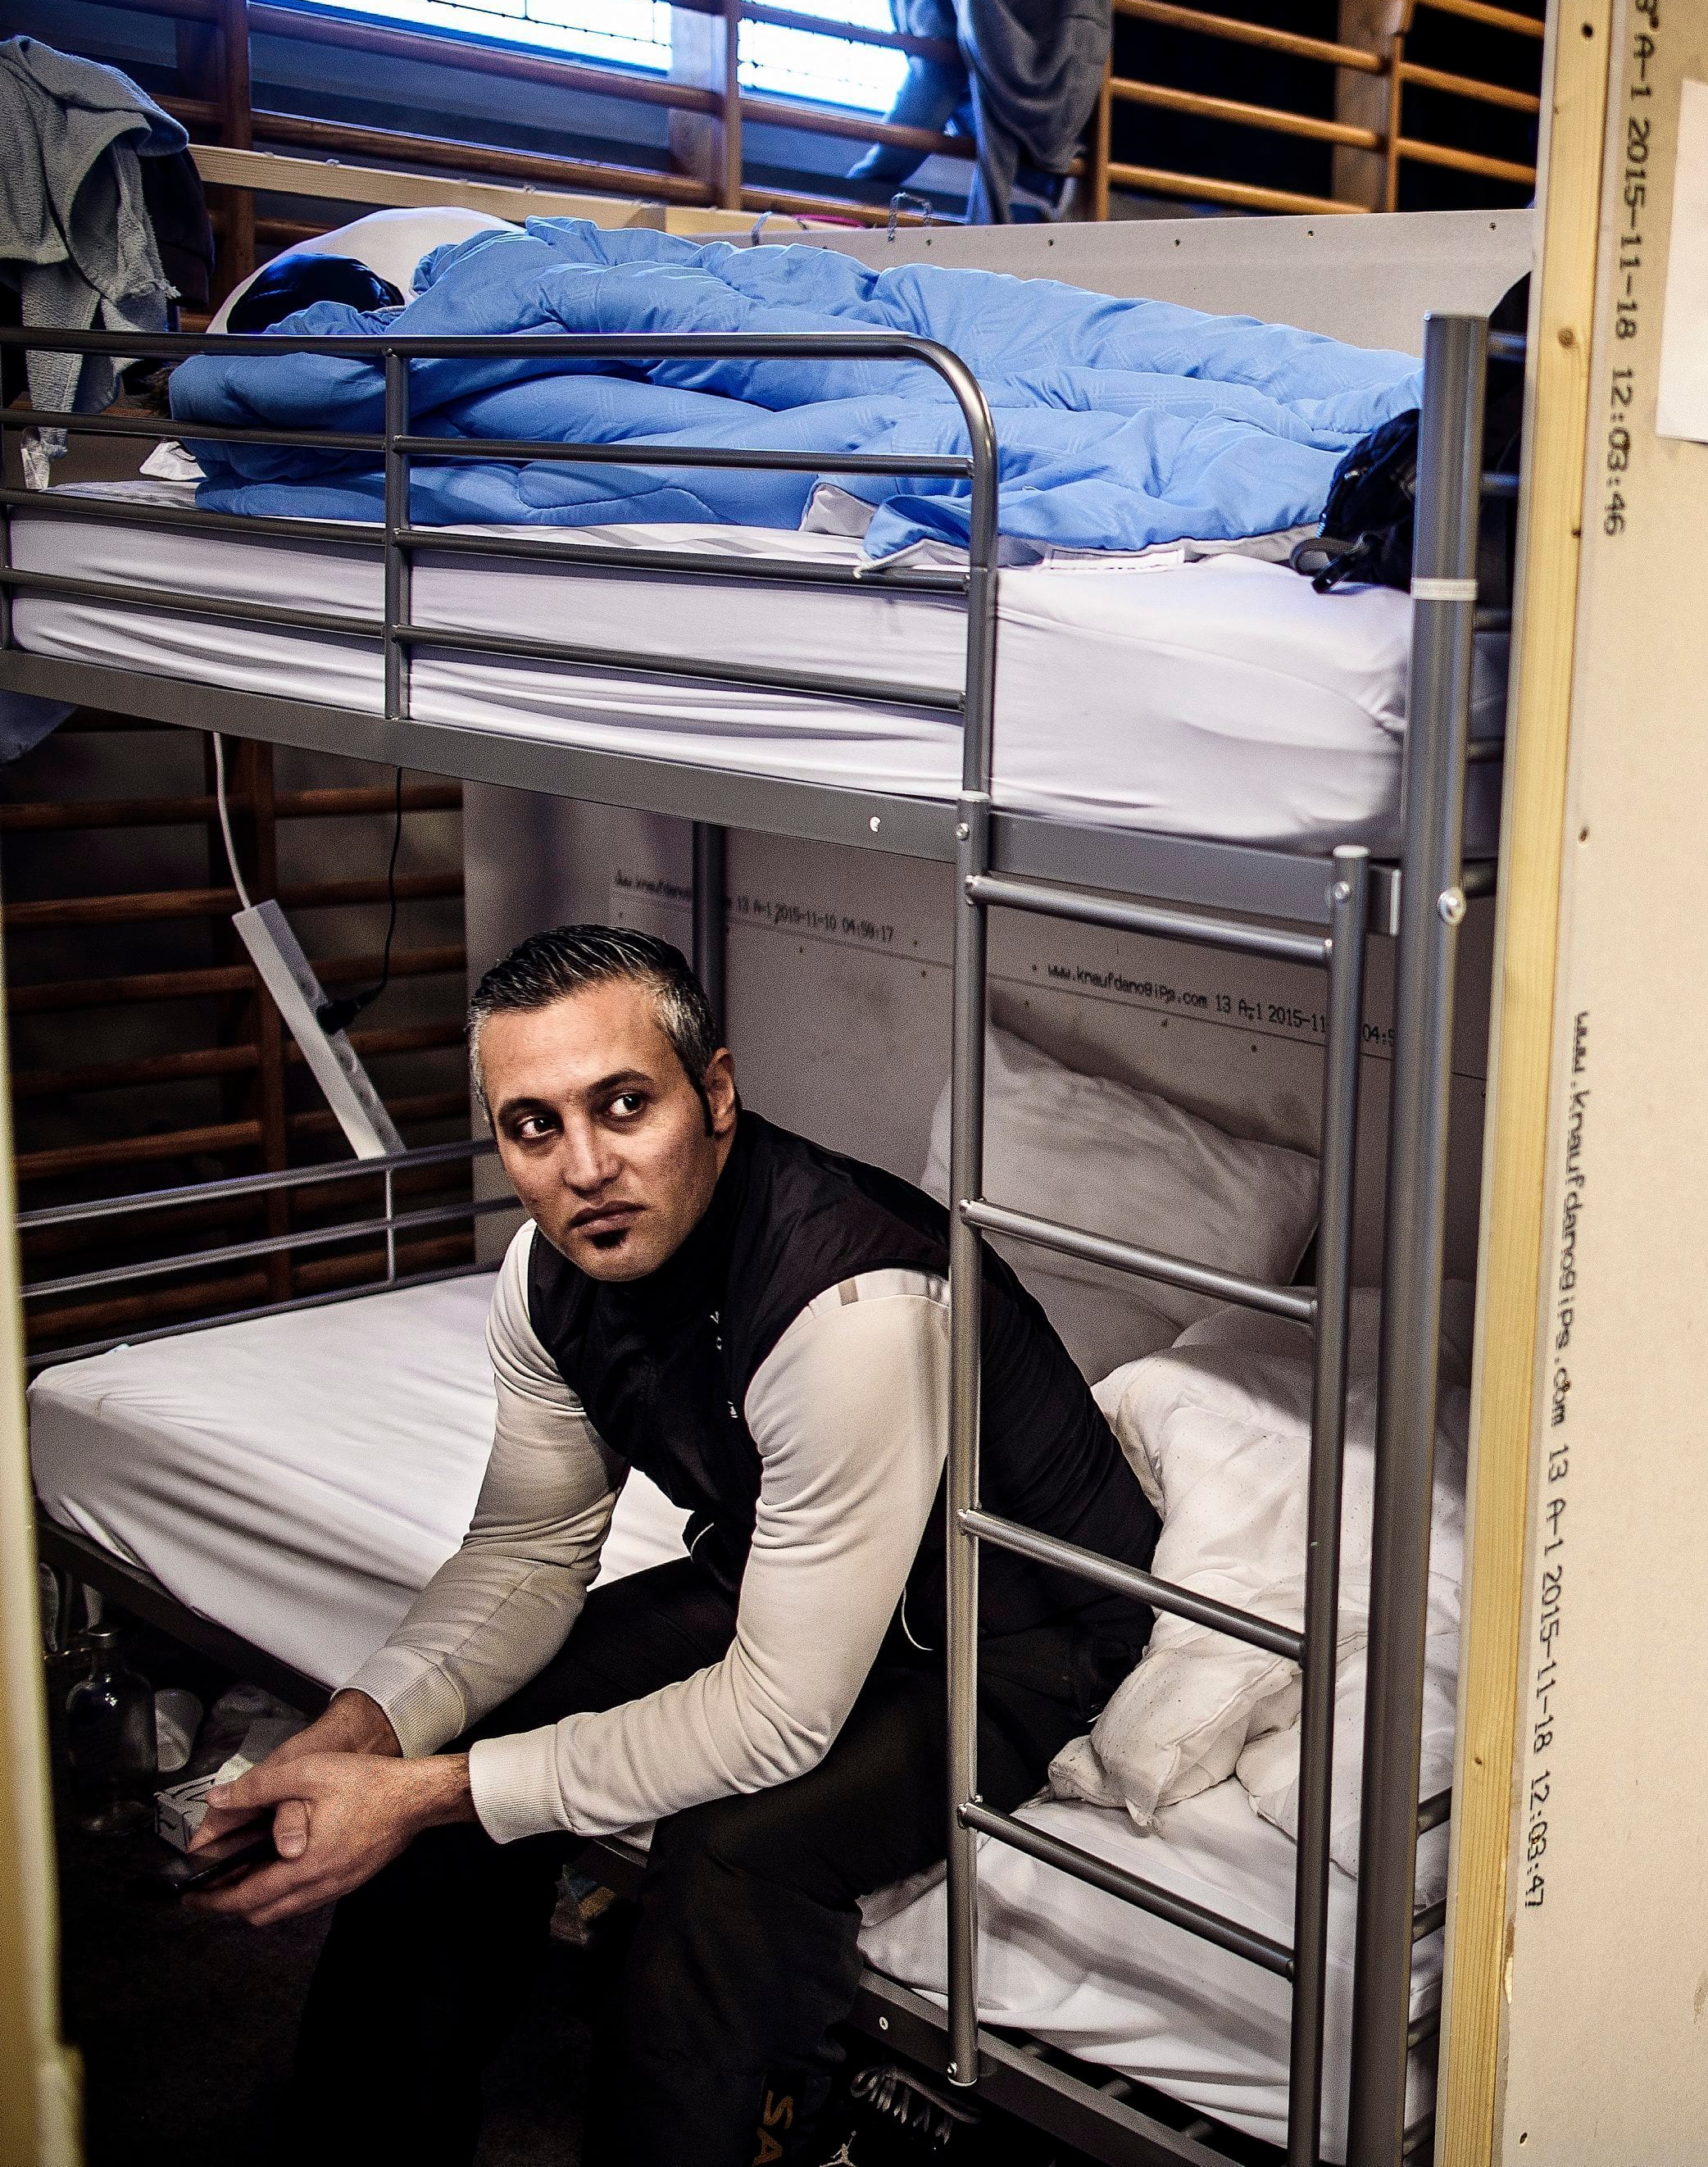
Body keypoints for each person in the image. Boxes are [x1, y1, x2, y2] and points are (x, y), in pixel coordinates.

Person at [191, 924, 1159, 2165]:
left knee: (735, 1856)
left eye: (625, 1105)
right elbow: (529, 1548)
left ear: (715, 1095)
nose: (585, 1167)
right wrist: (361, 1735)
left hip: (1012, 1638)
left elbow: (777, 1723)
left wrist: (427, 1798)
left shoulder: (851, 1305)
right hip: (794, 1581)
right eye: (534, 1126)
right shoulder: (547, 1275)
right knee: (456, 1739)